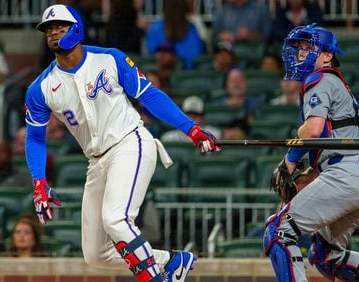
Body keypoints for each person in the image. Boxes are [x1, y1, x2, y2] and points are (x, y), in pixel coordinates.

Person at [25, 4, 220, 281]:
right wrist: (39, 181)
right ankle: (172, 260)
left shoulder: (109, 58)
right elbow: (34, 137)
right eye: (48, 28)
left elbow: (149, 96)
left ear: (77, 28)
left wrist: (191, 129)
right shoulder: (40, 88)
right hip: (96, 161)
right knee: (95, 254)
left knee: (116, 219)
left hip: (130, 142)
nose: (53, 32)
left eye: (60, 26)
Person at [263, 23, 359, 281]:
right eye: (299, 48)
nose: (301, 53)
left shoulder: (320, 77)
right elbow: (327, 137)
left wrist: (289, 161)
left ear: (326, 55)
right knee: (325, 256)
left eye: (308, 48)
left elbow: (313, 130)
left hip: (345, 175)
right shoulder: (333, 84)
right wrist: (311, 174)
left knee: (278, 230)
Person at [145, 0, 204, 70]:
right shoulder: (156, 29)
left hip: (186, 74)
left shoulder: (191, 29)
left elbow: (195, 59)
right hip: (163, 75)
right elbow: (153, 58)